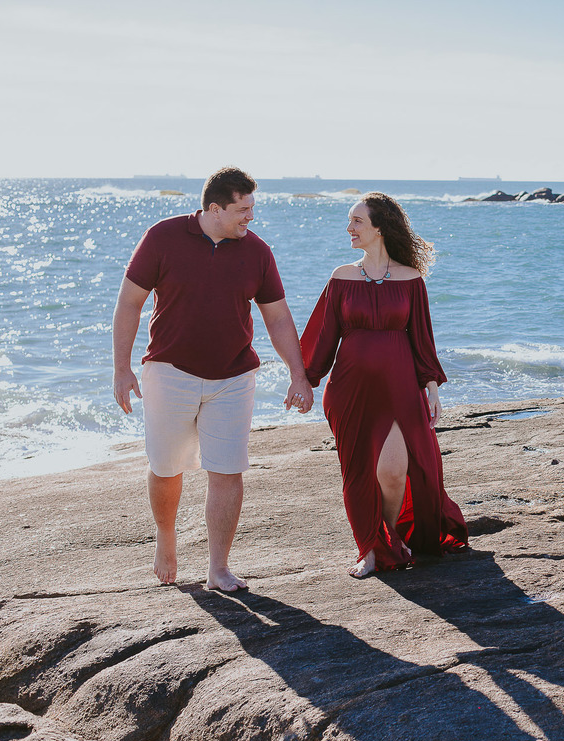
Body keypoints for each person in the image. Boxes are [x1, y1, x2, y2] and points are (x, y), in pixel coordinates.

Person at [112, 166, 313, 592]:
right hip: (169, 372)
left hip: (233, 377)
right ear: (215, 209)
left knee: (227, 470)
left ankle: (218, 568)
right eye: (243, 210)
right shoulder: (162, 237)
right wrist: (122, 368)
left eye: (252, 208)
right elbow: (130, 302)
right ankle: (166, 538)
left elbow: (276, 317)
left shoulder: (256, 251)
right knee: (166, 468)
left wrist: (299, 374)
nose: (251, 218)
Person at [301, 192, 468, 578]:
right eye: (350, 221)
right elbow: (322, 338)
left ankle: (390, 535)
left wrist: (431, 386)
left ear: (379, 227)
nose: (350, 228)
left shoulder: (411, 280)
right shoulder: (341, 277)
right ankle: (370, 550)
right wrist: (305, 380)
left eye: (357, 221)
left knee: (394, 471)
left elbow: (422, 339)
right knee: (360, 472)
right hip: (351, 391)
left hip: (399, 389)